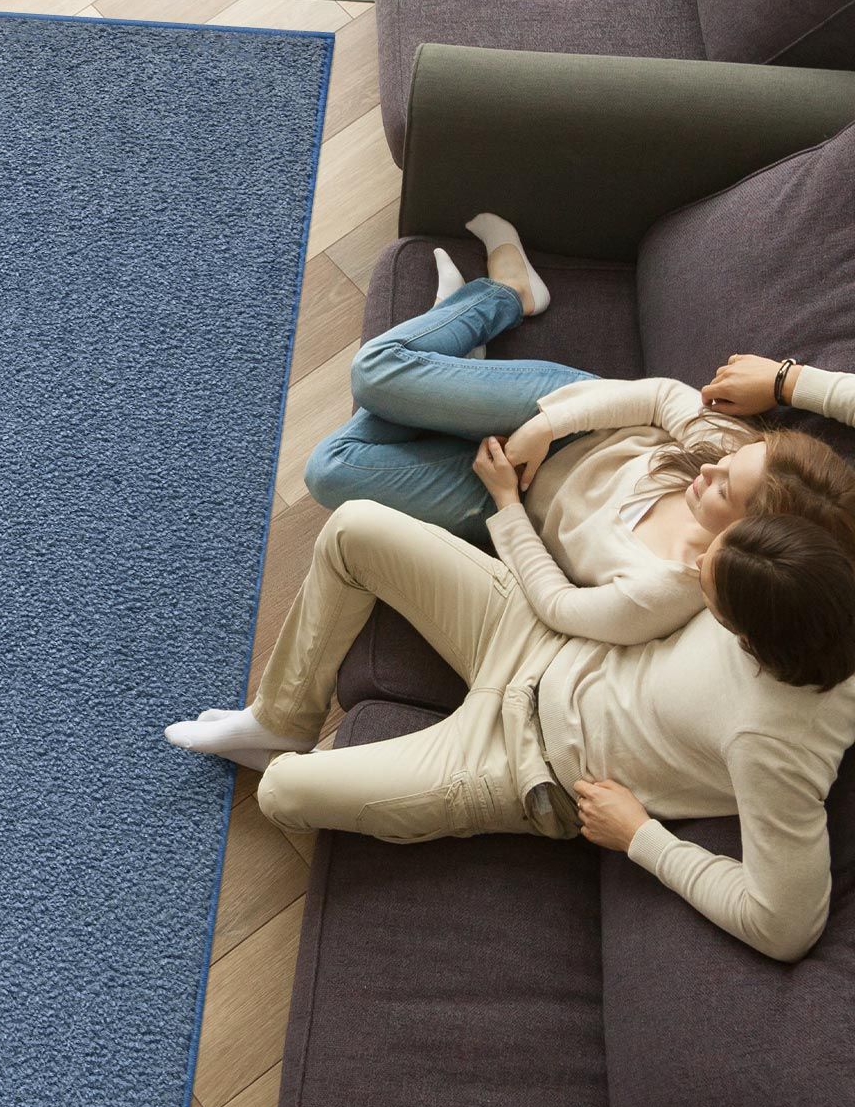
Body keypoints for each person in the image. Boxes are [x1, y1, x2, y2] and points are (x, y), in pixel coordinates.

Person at [165, 500, 855, 960]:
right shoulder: (808, 593)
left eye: (707, 582)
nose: (696, 561)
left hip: (524, 765)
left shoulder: (775, 747)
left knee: (283, 792)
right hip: (538, 637)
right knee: (352, 528)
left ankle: (281, 756)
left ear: (746, 637)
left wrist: (643, 837)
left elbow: (785, 925)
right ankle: (280, 719)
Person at [302, 213, 855, 646]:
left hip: (508, 497)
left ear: (751, 541)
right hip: (567, 417)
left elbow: (561, 608)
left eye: (723, 489)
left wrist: (506, 505)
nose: (710, 468)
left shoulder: (659, 592)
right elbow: (661, 396)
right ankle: (507, 295)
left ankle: (451, 352)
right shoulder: (738, 453)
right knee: (373, 373)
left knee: (327, 472)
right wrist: (545, 426)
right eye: (728, 464)